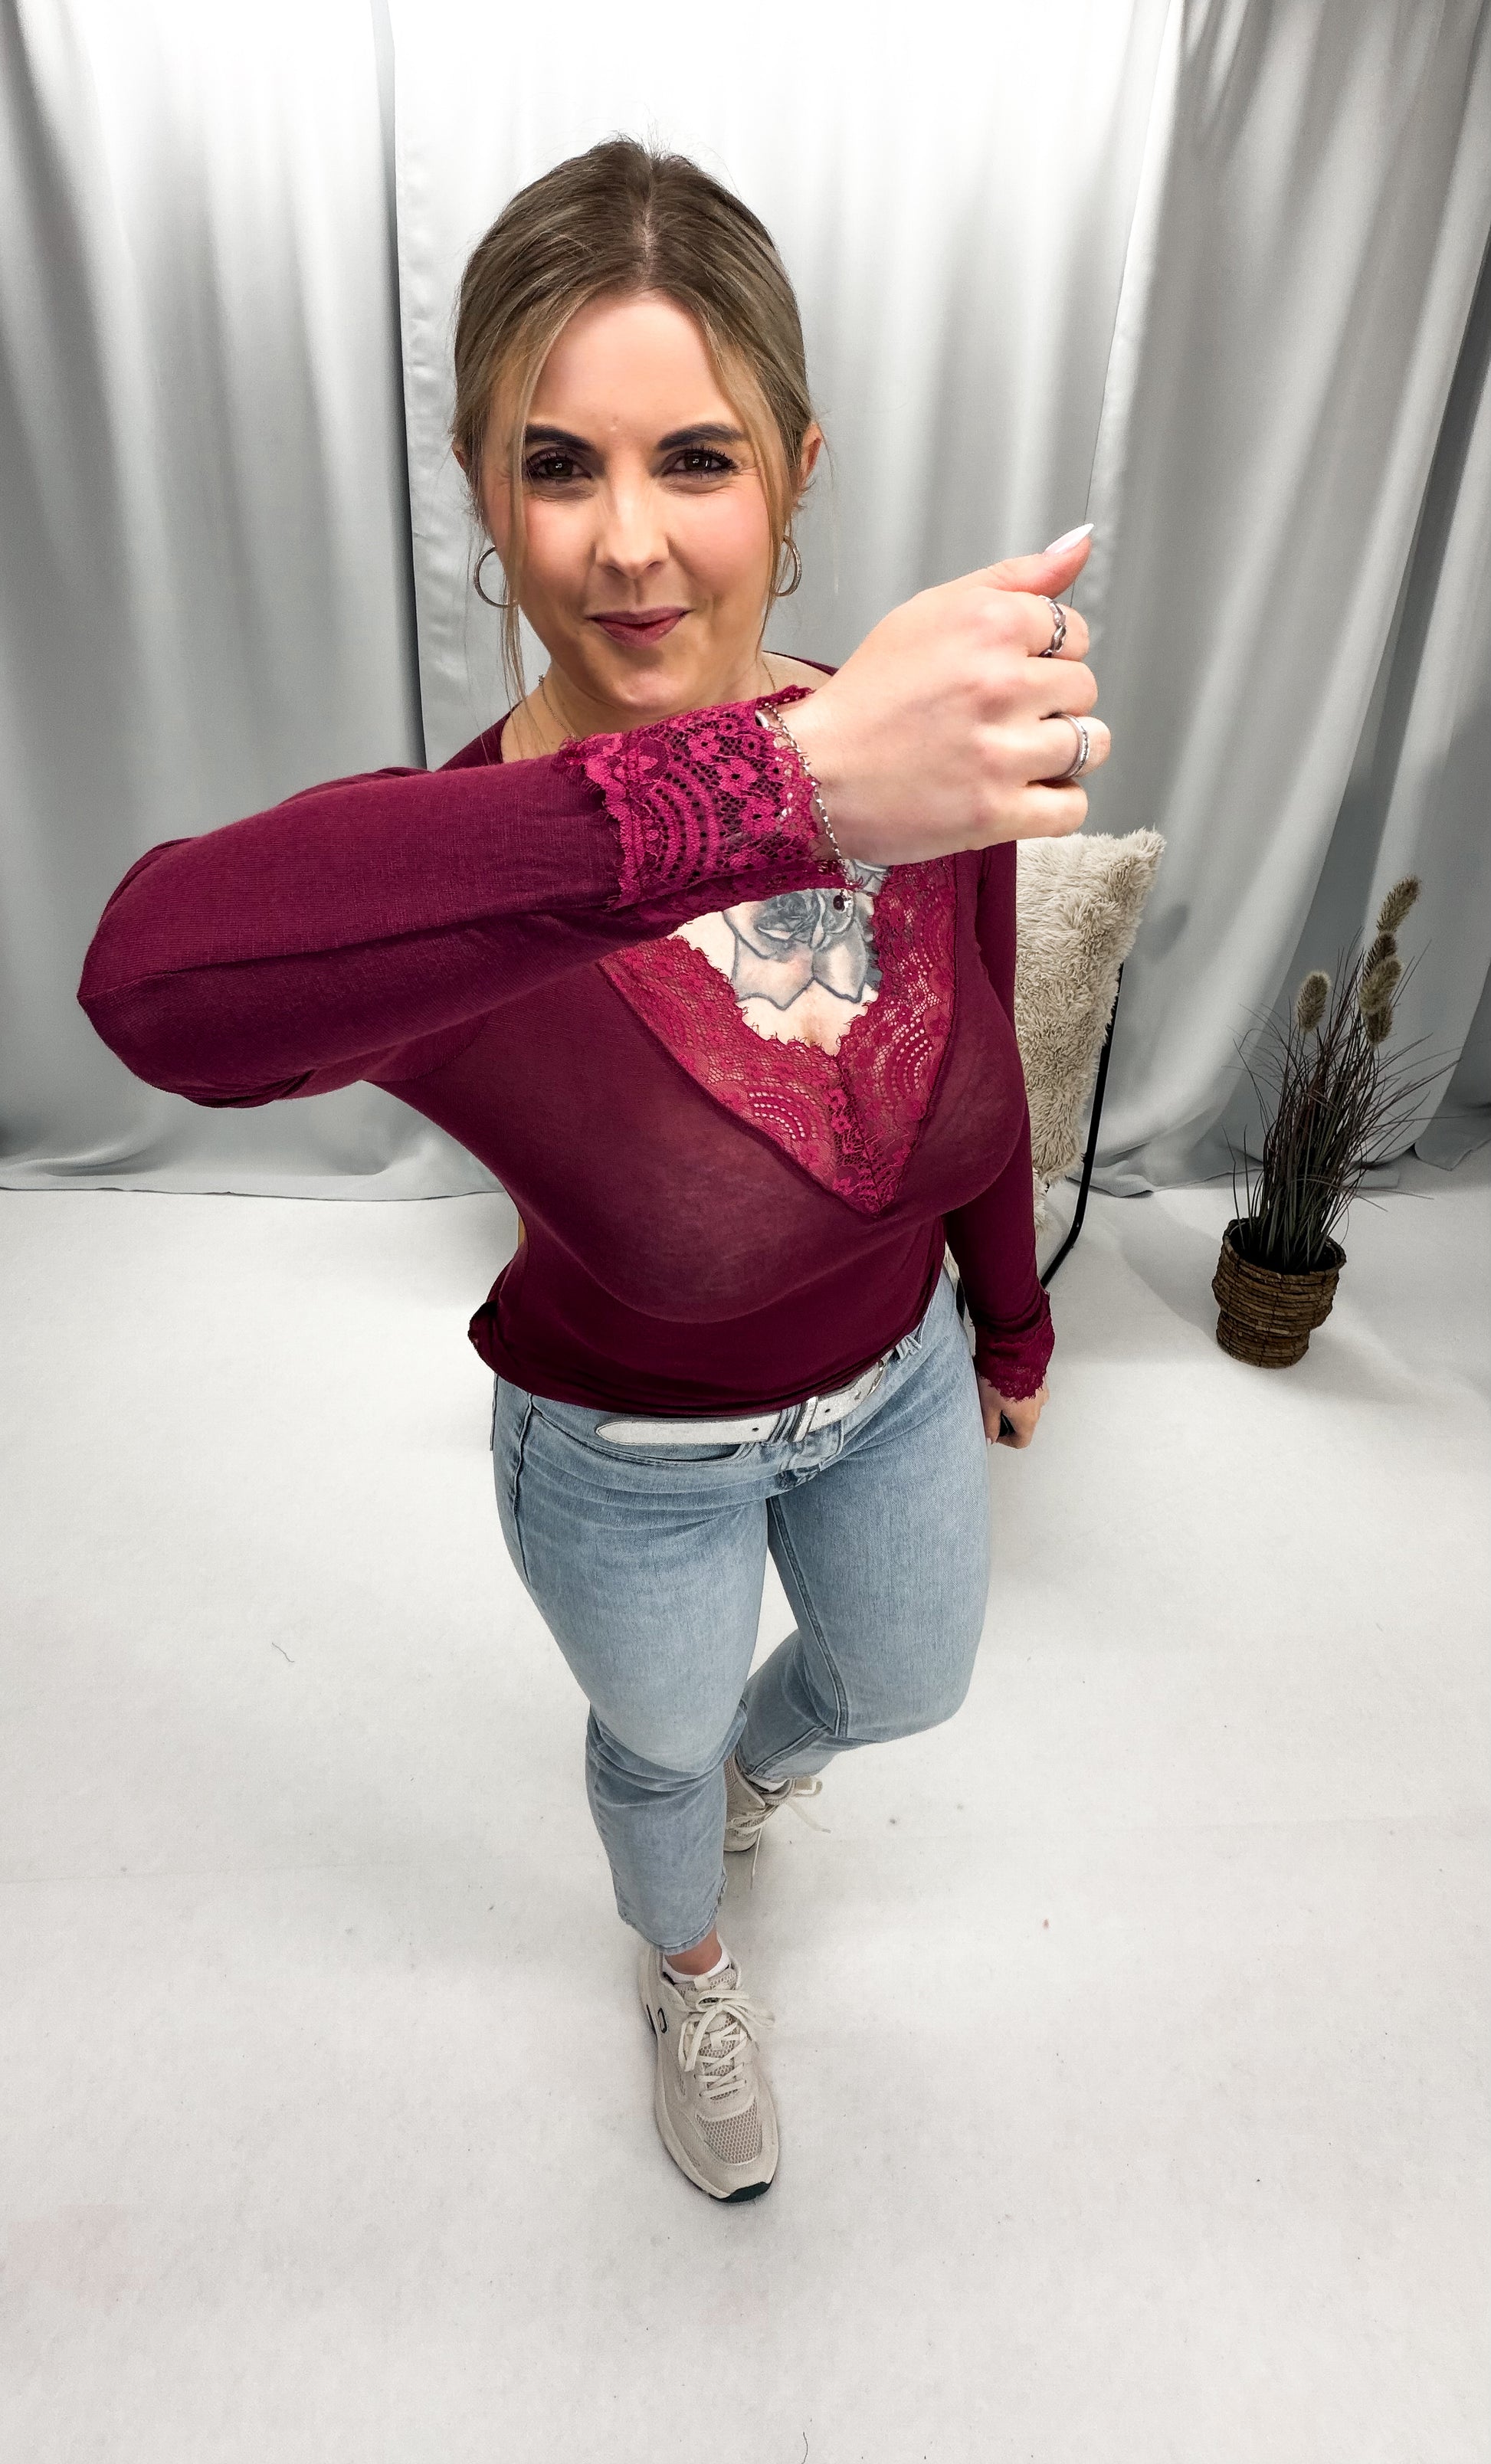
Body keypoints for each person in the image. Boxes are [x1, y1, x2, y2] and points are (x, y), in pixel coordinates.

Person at [78, 139, 1110, 2203]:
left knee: (902, 1687)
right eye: (557, 466)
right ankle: (684, 1958)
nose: (627, 543)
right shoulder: (456, 887)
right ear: (483, 490)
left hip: (897, 1382)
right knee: (654, 1750)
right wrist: (759, 793)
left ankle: (743, 1786)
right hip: (630, 1462)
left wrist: (1008, 1320)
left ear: (794, 473)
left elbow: (984, 1059)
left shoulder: (913, 760)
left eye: (694, 460)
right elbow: (150, 986)